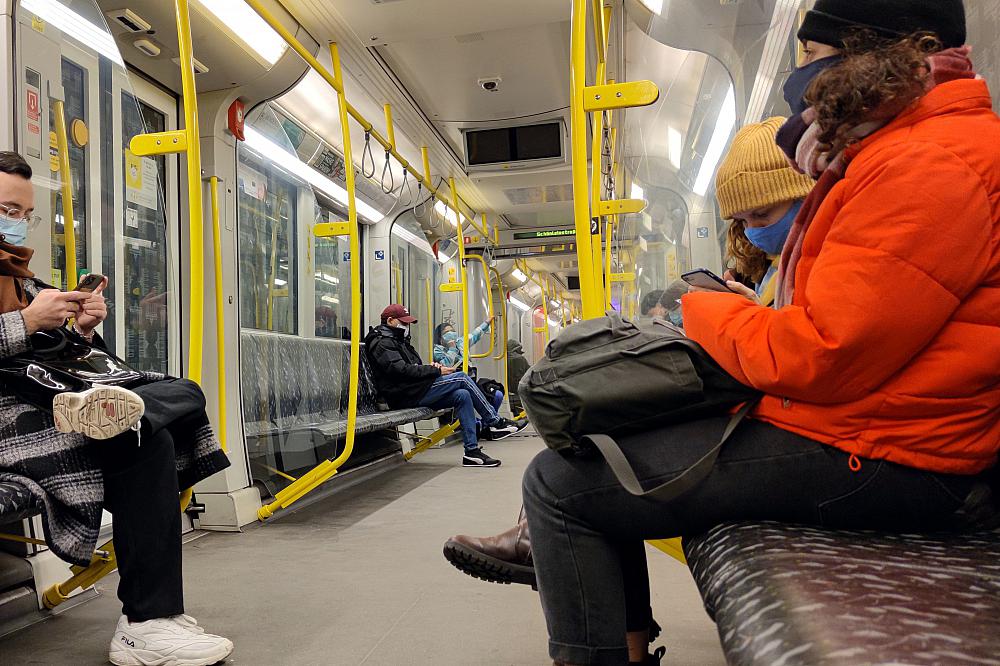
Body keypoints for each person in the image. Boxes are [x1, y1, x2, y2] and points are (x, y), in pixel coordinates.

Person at [519, 2, 1000, 664]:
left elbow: (820, 354)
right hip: (880, 425)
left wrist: (704, 309)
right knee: (600, 450)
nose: (798, 82)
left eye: (809, 58)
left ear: (870, 53)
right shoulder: (915, 150)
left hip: (899, 457)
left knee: (560, 487)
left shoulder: (925, 164)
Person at [0, 151, 234, 665]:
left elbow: (64, 354)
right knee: (149, 438)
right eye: (8, 210)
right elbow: (22, 342)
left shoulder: (26, 280)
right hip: (13, 416)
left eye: (23, 213)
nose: (17, 224)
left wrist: (81, 329)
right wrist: (25, 323)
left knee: (184, 392)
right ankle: (146, 622)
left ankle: (118, 411)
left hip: (55, 397)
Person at [365, 304, 526, 468]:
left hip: (413, 389)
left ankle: (472, 452)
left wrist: (431, 368)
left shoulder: (398, 341)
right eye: (404, 323)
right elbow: (400, 370)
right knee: (461, 378)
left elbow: (412, 367)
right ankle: (495, 422)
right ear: (390, 320)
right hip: (403, 395)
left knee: (462, 395)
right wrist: (435, 371)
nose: (406, 327)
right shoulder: (382, 343)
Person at [714, 117, 815, 307]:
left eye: (761, 214)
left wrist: (756, 314)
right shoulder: (757, 269)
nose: (752, 231)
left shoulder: (829, 259)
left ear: (804, 197)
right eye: (742, 221)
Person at [434, 318, 505, 412]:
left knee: (497, 394)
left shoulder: (461, 342)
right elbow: (447, 365)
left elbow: (475, 334)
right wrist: (452, 349)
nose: (451, 333)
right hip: (454, 384)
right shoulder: (437, 350)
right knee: (465, 397)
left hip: (470, 379)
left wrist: (487, 323)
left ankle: (486, 423)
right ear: (440, 338)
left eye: (453, 331)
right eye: (447, 332)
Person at [506, 338, 530, 415]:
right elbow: (529, 374)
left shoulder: (503, 359)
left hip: (508, 394)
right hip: (520, 392)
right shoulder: (521, 359)